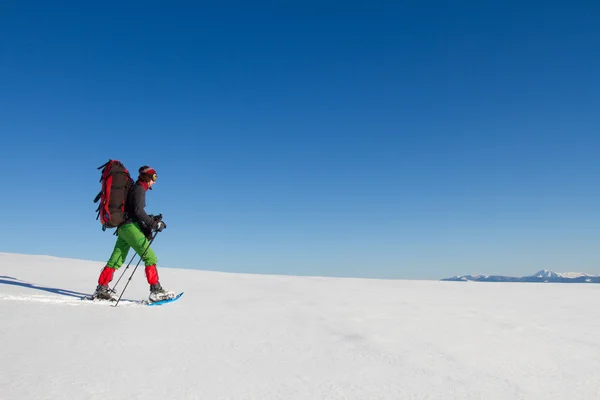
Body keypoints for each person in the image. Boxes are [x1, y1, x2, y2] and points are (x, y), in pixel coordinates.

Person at [92, 166, 174, 302]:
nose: (155, 181)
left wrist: (151, 219)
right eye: (154, 177)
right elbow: (138, 211)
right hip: (130, 227)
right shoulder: (140, 189)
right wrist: (154, 224)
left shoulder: (135, 189)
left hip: (123, 228)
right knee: (150, 257)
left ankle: (102, 288)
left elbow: (134, 211)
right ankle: (155, 290)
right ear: (147, 178)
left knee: (116, 259)